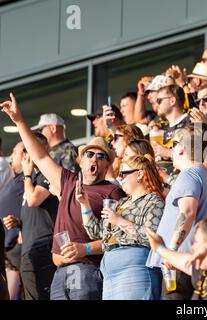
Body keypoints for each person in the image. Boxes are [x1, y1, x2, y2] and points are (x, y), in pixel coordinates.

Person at [1, 93, 126, 300]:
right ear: (81, 161)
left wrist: (83, 249)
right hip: (59, 271)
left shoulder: (112, 191)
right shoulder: (68, 181)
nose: (94, 158)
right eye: (89, 154)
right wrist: (20, 121)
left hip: (86, 270)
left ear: (106, 165)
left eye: (101, 156)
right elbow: (40, 156)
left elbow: (116, 238)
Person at [146, 124, 207, 300]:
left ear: (181, 148)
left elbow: (187, 212)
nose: (171, 150)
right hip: (193, 263)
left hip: (179, 263)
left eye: (172, 145)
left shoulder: (189, 175)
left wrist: (171, 251)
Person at [76, 155, 164, 300]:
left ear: (140, 173)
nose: (120, 178)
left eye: (123, 173)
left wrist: (118, 220)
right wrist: (84, 203)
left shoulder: (153, 199)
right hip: (109, 269)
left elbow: (150, 236)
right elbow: (96, 232)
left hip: (134, 265)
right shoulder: (120, 202)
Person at [4, 133, 59, 300]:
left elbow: (34, 199)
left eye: (29, 150)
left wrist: (27, 175)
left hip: (45, 247)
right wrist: (19, 223)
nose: (26, 156)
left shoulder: (47, 174)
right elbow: (35, 212)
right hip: (29, 249)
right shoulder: (32, 180)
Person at [1, 141, 26, 300]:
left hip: (14, 248)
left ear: (25, 154)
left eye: (15, 153)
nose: (11, 157)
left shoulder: (30, 179)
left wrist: (22, 226)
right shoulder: (18, 179)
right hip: (6, 247)